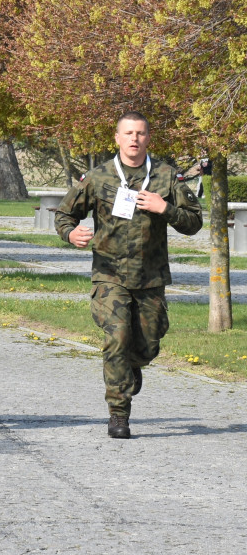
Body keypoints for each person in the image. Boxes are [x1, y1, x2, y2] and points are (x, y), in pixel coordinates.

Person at [55, 111, 202, 439]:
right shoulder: (99, 177)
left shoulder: (166, 178)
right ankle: (118, 415)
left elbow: (194, 223)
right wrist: (71, 234)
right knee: (117, 337)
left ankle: (130, 368)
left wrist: (165, 209)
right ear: (117, 139)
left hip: (150, 278)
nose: (134, 139)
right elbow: (65, 213)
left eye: (140, 133)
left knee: (147, 346)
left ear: (148, 138)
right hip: (110, 274)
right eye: (128, 133)